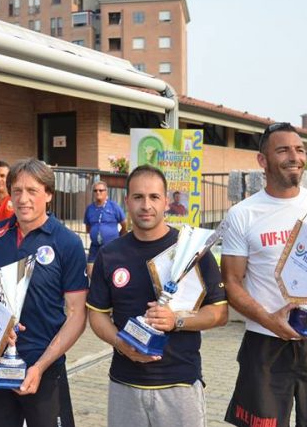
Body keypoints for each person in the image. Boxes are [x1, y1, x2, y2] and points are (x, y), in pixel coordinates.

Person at [220, 123, 307, 427]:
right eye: (283, 149)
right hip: (265, 344)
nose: (294, 156)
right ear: (263, 160)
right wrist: (269, 319)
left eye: (299, 149)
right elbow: (232, 284)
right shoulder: (242, 214)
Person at [87, 165, 228, 427]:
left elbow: (219, 313)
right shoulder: (110, 254)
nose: (146, 205)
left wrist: (177, 321)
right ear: (127, 201)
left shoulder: (192, 250)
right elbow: (96, 314)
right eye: (138, 197)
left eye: (154, 197)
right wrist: (120, 343)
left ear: (166, 201)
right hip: (125, 383)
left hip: (180, 384)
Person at [0, 158, 88, 427]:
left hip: (43, 365)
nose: (23, 199)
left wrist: (41, 366)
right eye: (17, 190)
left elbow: (77, 314)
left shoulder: (67, 242)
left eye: (32, 191)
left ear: (49, 195)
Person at [83, 180, 127, 276]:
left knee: (111, 272)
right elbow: (88, 228)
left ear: (106, 192)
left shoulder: (113, 206)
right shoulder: (89, 209)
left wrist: (119, 235)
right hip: (95, 247)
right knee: (90, 272)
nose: (98, 192)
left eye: (101, 190)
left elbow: (124, 224)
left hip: (111, 246)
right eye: (95, 190)